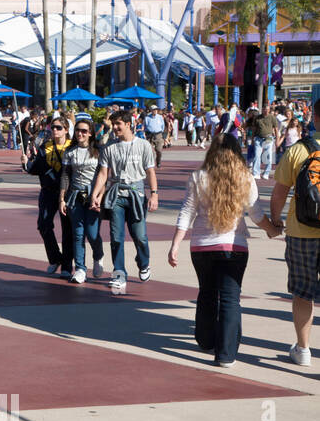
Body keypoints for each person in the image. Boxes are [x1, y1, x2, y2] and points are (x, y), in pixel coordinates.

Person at [169, 134, 275, 367]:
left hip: (201, 247)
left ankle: (206, 341)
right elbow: (257, 215)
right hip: (234, 246)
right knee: (230, 298)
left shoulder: (199, 177)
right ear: (237, 151)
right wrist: (273, 230)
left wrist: (175, 244)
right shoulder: (245, 177)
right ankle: (226, 354)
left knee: (206, 293)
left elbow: (187, 213)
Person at [266, 105, 320, 368]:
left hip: (302, 231)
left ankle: (303, 349)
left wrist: (275, 222)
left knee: (302, 293)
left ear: (315, 118)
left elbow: (279, 193)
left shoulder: (298, 150)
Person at [90, 109, 159, 295]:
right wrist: (96, 195)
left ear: (128, 124)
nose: (115, 128)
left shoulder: (144, 145)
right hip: (117, 195)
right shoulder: (109, 148)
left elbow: (151, 171)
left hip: (137, 194)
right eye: (113, 124)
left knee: (140, 236)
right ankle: (119, 272)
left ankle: (144, 263)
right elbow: (103, 174)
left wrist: (154, 194)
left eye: (118, 124)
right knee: (116, 236)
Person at [59, 118, 107, 283]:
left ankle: (98, 255)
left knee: (92, 234)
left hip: (93, 195)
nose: (80, 133)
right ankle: (80, 269)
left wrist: (100, 196)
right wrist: (62, 199)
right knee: (78, 234)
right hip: (75, 196)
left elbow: (104, 176)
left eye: (84, 131)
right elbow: (65, 176)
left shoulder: (99, 151)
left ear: (91, 133)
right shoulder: (70, 152)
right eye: (78, 130)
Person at [24, 116, 71, 277]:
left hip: (68, 192)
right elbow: (35, 169)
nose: (55, 130)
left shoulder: (72, 147)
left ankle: (67, 266)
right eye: (53, 127)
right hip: (48, 191)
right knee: (43, 224)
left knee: (68, 229)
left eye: (58, 127)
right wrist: (26, 162)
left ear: (66, 129)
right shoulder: (45, 147)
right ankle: (55, 258)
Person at [250, 106, 279, 180]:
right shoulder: (257, 118)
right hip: (258, 138)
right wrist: (252, 139)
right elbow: (254, 129)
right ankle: (256, 173)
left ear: (269, 110)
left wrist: (277, 140)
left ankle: (266, 173)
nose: (265, 111)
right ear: (262, 110)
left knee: (268, 157)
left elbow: (276, 129)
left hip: (268, 138)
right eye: (264, 109)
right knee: (257, 156)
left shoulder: (272, 118)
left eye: (267, 109)